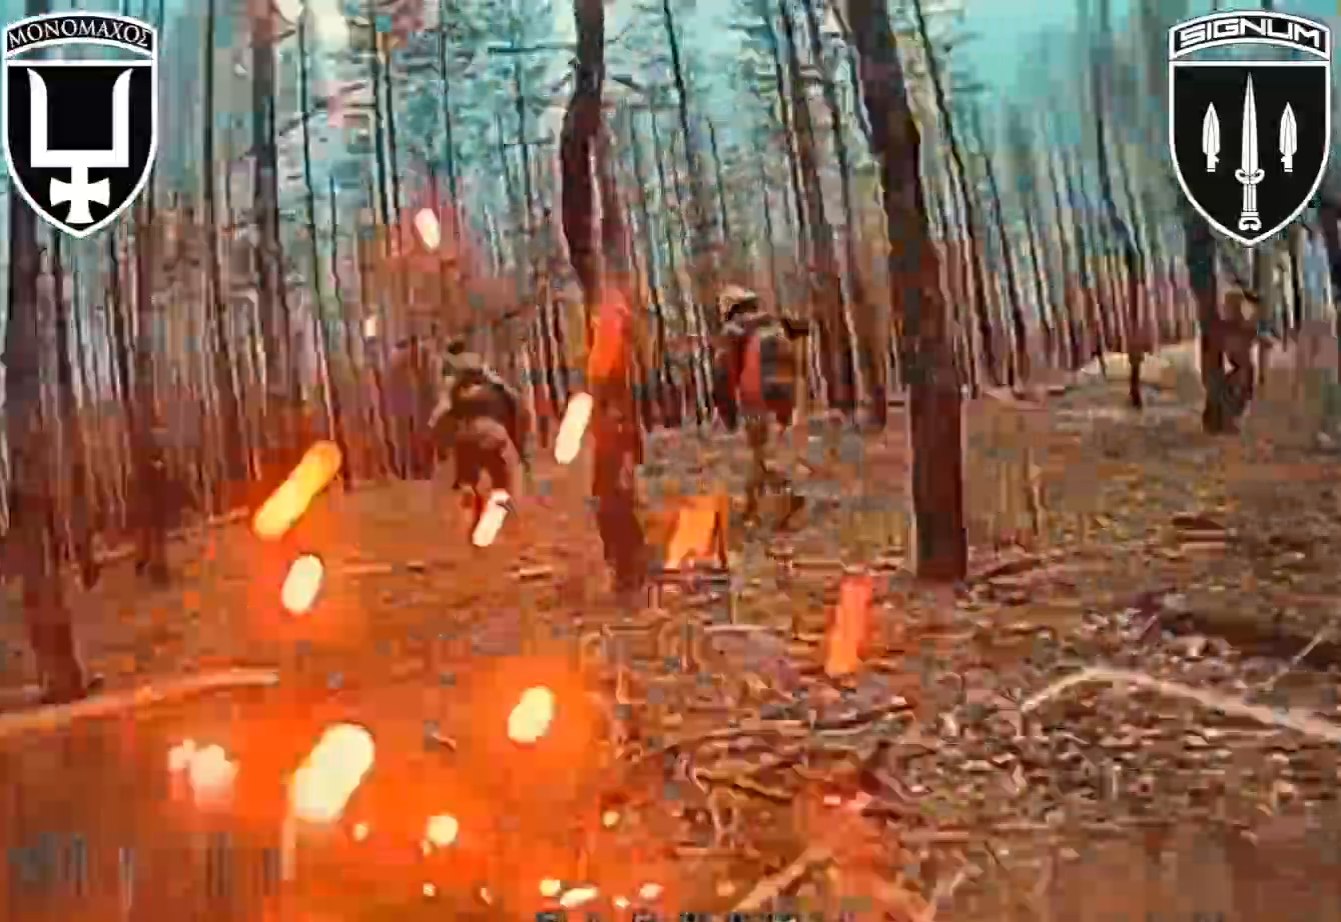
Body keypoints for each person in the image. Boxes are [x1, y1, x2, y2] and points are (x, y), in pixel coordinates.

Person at [710, 285, 809, 529]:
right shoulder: (773, 324)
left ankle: (786, 499)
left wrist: (727, 411)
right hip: (785, 397)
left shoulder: (733, 330)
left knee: (762, 454)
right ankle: (752, 508)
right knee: (761, 454)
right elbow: (802, 329)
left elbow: (722, 373)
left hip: (755, 396)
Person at [429, 344, 529, 525]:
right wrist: (521, 450)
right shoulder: (495, 385)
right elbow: (517, 409)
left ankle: (470, 494)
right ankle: (502, 507)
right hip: (494, 435)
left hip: (467, 436)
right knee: (502, 476)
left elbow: (439, 421)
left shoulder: (453, 386)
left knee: (469, 478)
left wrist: (443, 450)